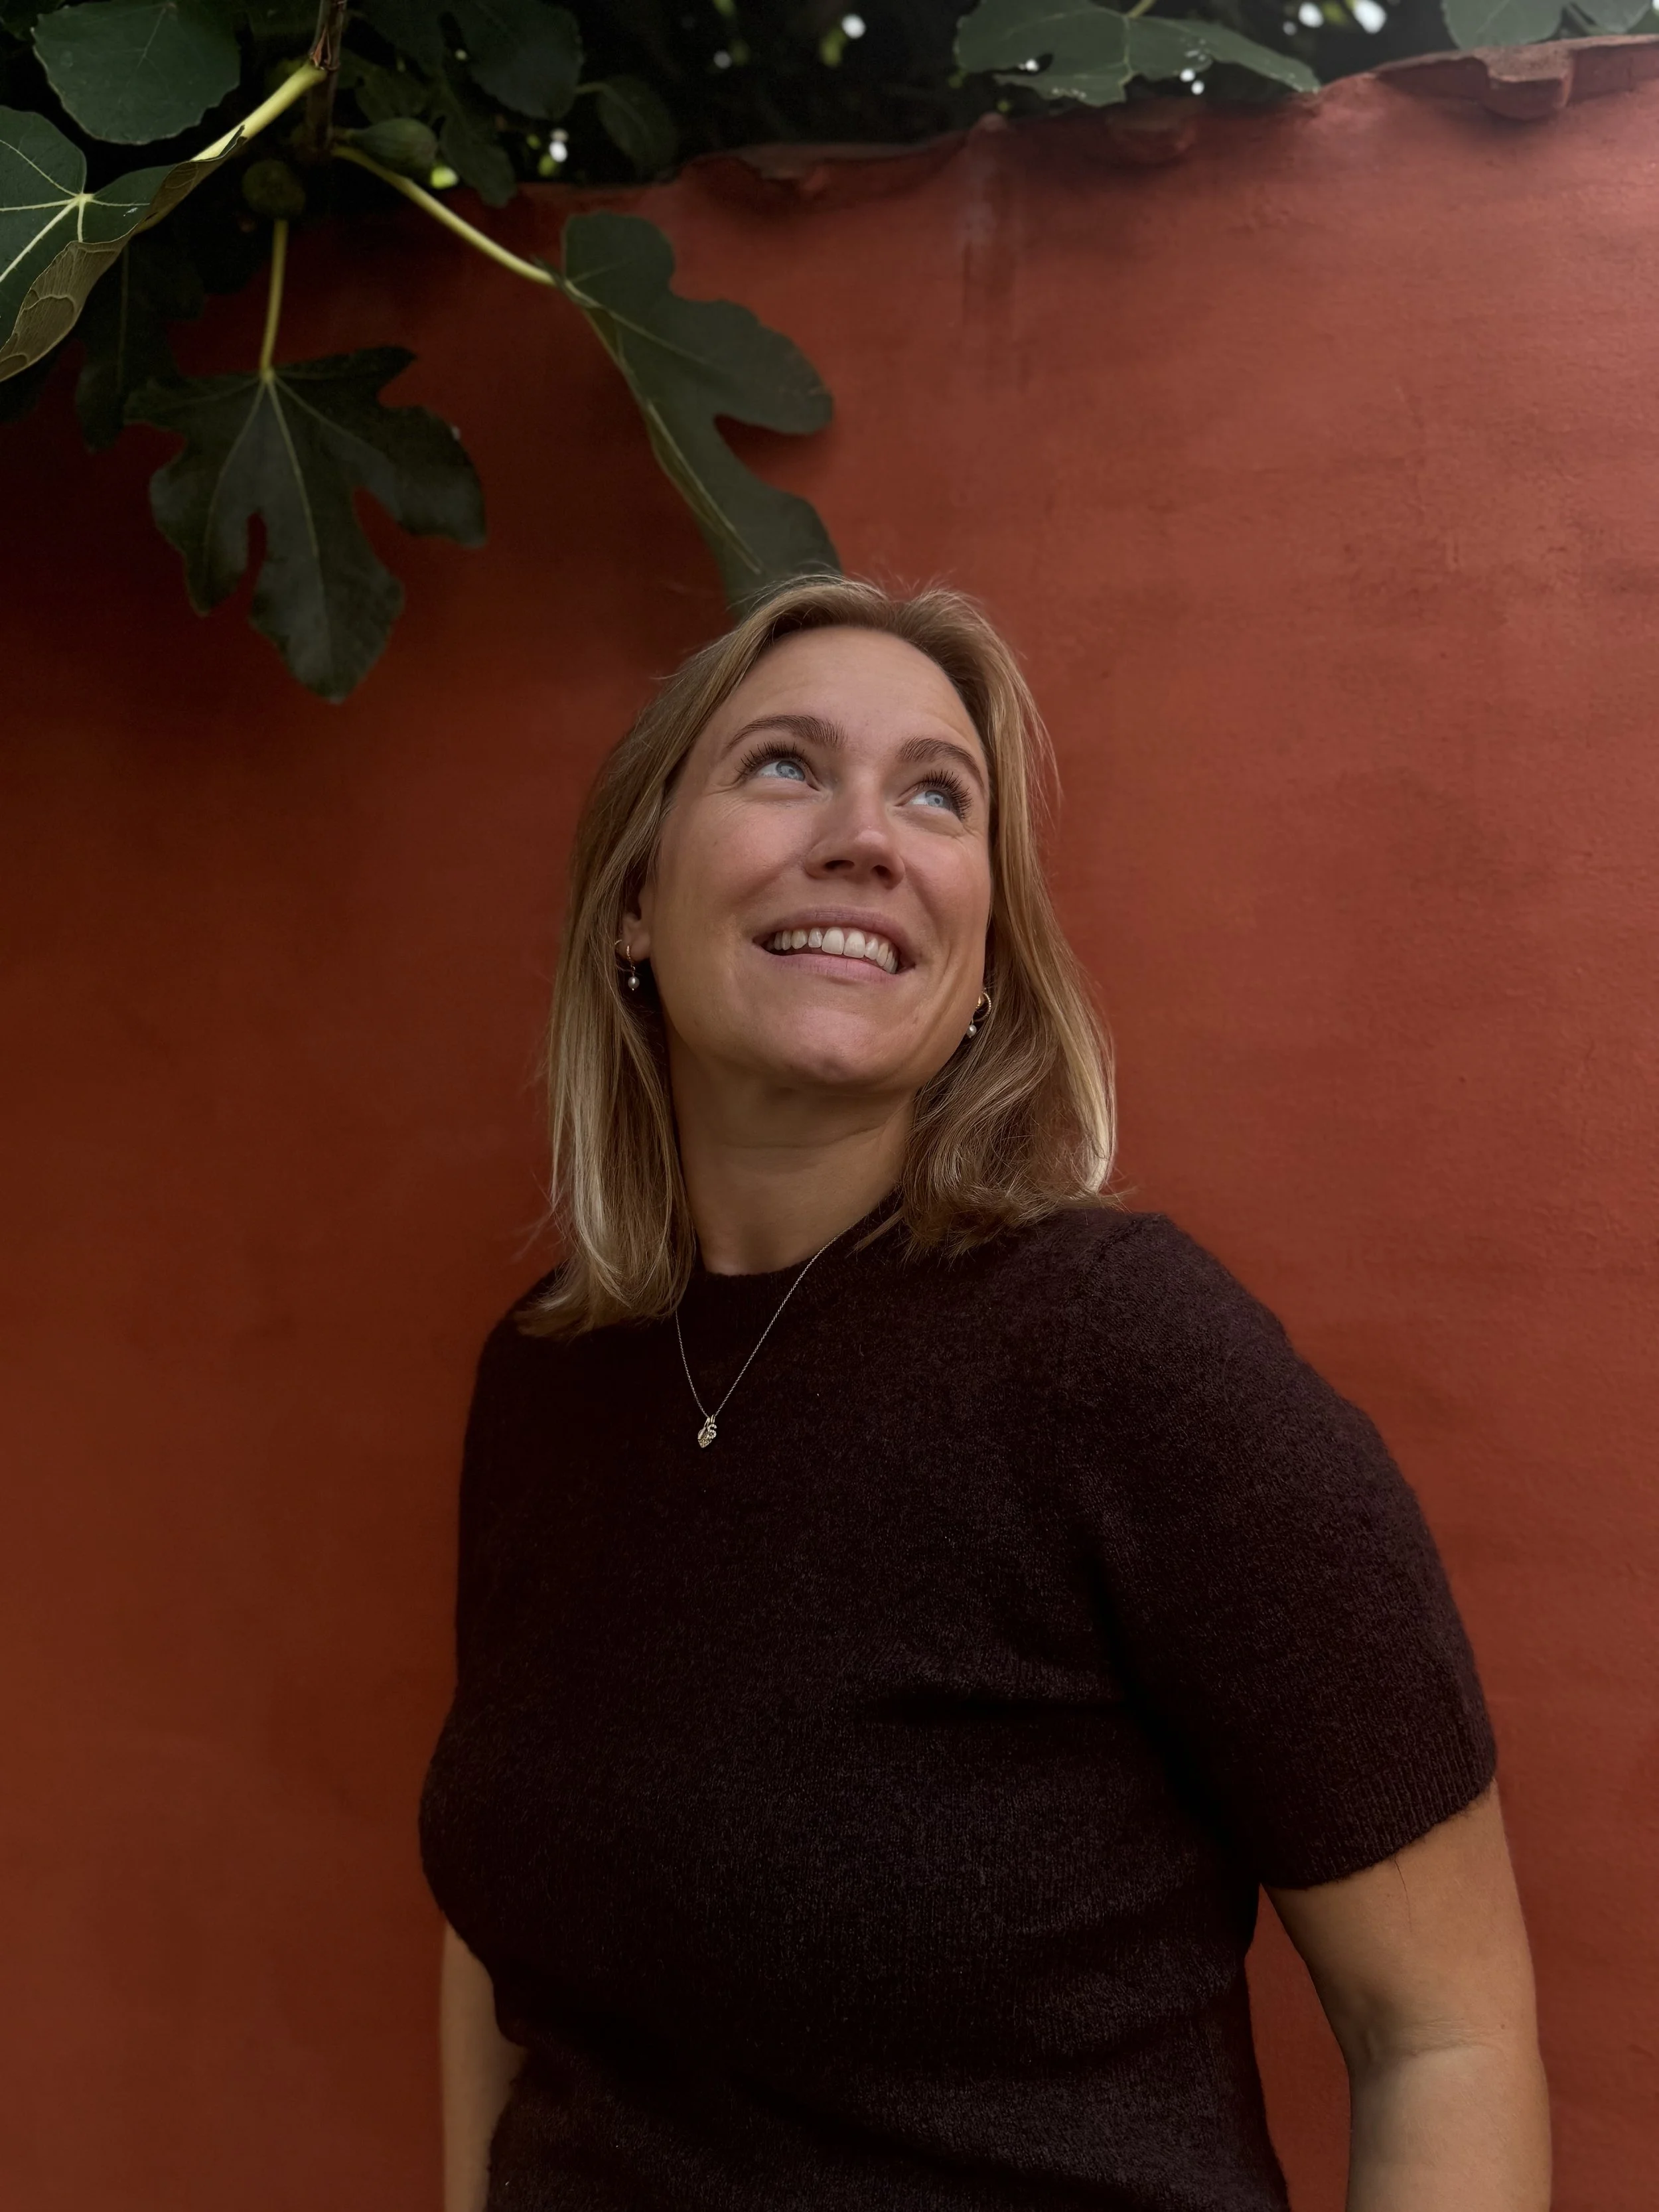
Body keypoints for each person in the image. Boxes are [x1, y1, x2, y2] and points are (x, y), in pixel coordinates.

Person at [419, 577, 1550, 2212]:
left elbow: (1440, 2032)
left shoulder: (1126, 1359)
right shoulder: (545, 1380)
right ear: (632, 907)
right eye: (784, 765)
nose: (865, 838)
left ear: (980, 975)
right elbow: (499, 1947)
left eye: (938, 796)